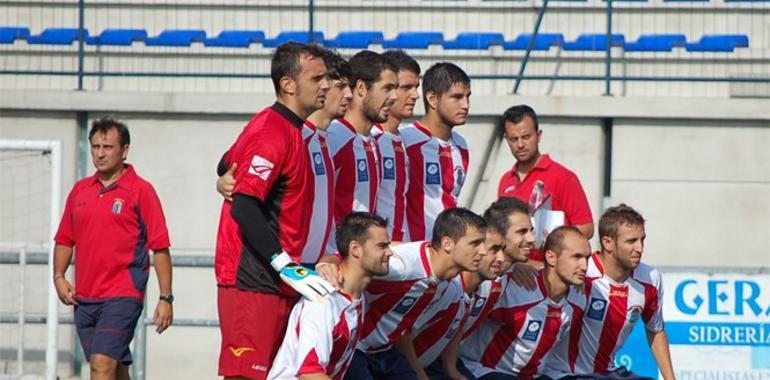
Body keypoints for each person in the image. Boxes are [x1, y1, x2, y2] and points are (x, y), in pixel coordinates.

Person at [214, 42, 334, 379]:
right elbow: (245, 205)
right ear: (288, 84)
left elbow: (228, 162)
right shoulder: (273, 131)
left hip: (275, 278)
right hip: (252, 277)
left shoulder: (287, 128)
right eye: (317, 78)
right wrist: (284, 265)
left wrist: (223, 178)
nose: (325, 85)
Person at [53, 117, 173, 380]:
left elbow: (160, 248)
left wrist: (166, 297)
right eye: (95, 147)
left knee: (100, 365)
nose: (99, 153)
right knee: (115, 368)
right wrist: (59, 277)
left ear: (124, 150)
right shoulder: (80, 191)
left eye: (107, 147)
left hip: (123, 295)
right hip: (84, 297)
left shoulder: (141, 191)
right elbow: (64, 239)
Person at [216, 48, 354, 266]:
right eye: (340, 85)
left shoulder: (322, 138)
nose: (348, 95)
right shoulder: (287, 132)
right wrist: (225, 181)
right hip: (280, 266)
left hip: (312, 263)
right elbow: (231, 167)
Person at [345, 208, 488, 380]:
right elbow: (344, 260)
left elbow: (405, 328)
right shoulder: (402, 268)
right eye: (475, 244)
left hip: (385, 352)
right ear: (447, 244)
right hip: (355, 349)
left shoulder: (449, 284)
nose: (483, 252)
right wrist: (326, 263)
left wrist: (419, 372)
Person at [543, 204, 675, 380]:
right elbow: (544, 274)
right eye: (631, 241)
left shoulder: (650, 279)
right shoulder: (580, 272)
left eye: (642, 240)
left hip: (608, 372)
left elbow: (655, 329)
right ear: (607, 243)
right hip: (564, 374)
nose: (640, 248)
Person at [268, 212, 393, 380]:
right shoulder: (323, 301)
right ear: (355, 249)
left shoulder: (356, 298)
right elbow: (310, 373)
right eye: (382, 246)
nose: (390, 252)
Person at [460, 226, 591, 379]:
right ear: (551, 258)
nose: (585, 266)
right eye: (577, 257)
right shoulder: (514, 287)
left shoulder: (579, 300)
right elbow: (461, 322)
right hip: (486, 371)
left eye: (587, 258)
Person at [440, 197, 535, 379]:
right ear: (498, 233)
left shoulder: (508, 271)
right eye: (522, 232)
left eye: (531, 230)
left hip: (451, 362)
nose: (531, 239)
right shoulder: (460, 275)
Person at [497, 105, 594, 262]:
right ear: (506, 139)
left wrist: (550, 243)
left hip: (550, 273)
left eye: (526, 137)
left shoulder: (563, 177)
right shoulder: (505, 181)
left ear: (538, 135)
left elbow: (586, 229)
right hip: (516, 271)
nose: (520, 144)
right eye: (514, 139)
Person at [401, 62, 471, 241]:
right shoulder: (405, 141)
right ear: (432, 98)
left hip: (447, 254)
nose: (465, 105)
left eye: (467, 97)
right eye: (457, 97)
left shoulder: (461, 146)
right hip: (413, 253)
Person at [327, 50, 398, 223]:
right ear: (361, 88)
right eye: (387, 88)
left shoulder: (373, 141)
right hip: (335, 249)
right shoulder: (335, 138)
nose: (395, 97)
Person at [372, 49, 421, 241]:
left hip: (397, 250)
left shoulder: (402, 139)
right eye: (406, 87)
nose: (415, 95)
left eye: (416, 87)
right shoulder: (370, 139)